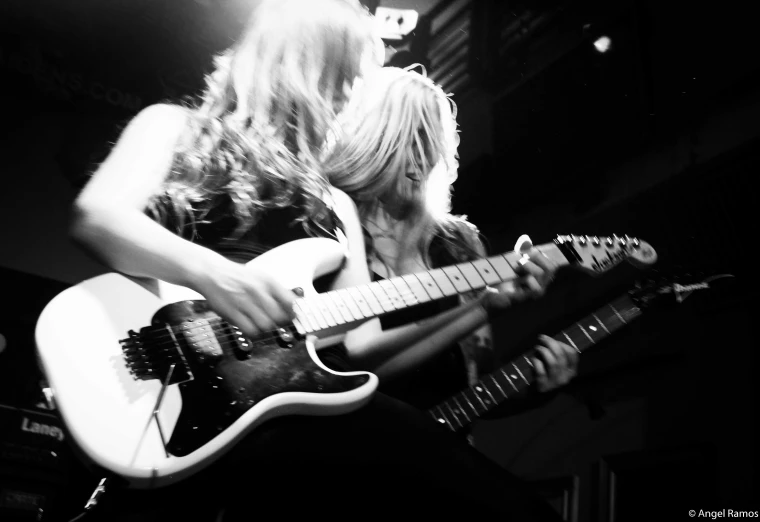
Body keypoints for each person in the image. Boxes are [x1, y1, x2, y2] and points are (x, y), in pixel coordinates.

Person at [69, 1, 562, 520]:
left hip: (269, 416)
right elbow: (97, 217)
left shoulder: (337, 204)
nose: (350, 98)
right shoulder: (173, 126)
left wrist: (482, 305)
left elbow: (359, 348)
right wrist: (214, 276)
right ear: (303, 65)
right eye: (346, 78)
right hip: (160, 384)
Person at [326, 65, 579, 427]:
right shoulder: (330, 223)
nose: (422, 163)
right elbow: (355, 359)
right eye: (411, 144)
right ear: (373, 140)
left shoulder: (458, 244)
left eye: (431, 148)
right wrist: (484, 306)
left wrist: (535, 391)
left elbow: (475, 390)